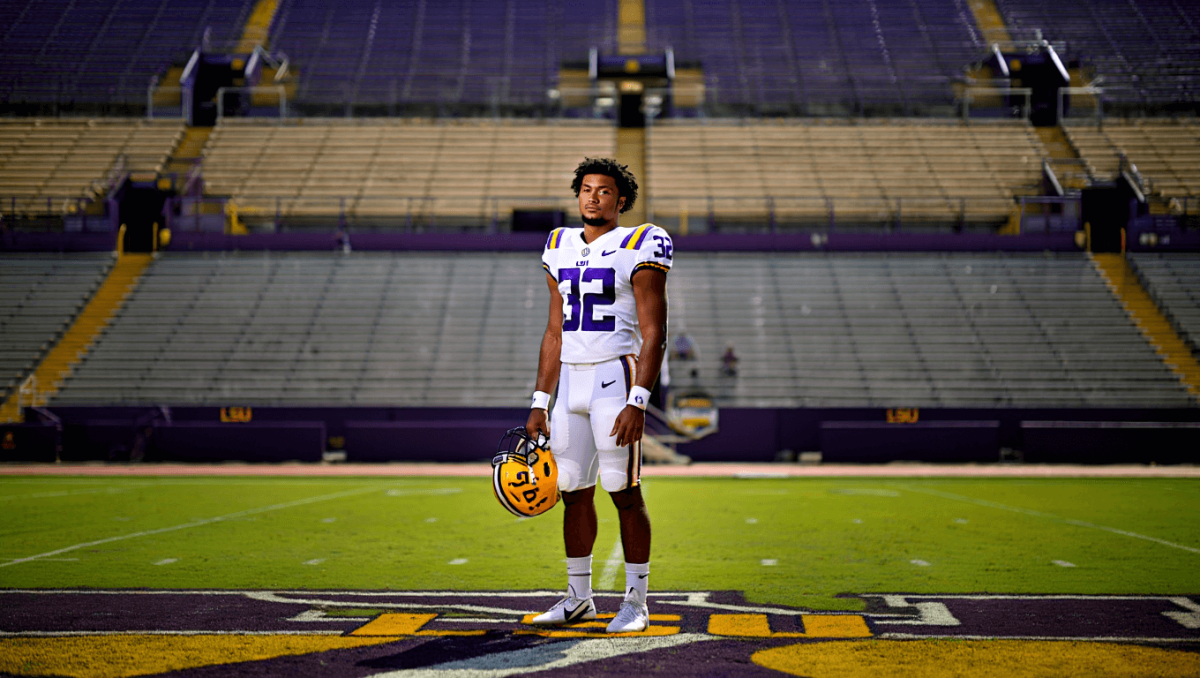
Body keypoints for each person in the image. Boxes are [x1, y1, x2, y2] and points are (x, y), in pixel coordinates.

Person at [526, 157, 672, 634]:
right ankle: (578, 598)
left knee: (623, 491)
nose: (593, 197)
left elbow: (655, 331)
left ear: (621, 200)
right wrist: (538, 401)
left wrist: (638, 400)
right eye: (586, 189)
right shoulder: (558, 243)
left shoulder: (641, 241)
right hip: (568, 378)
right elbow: (553, 331)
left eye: (604, 191)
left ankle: (636, 602)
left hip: (614, 375)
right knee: (571, 489)